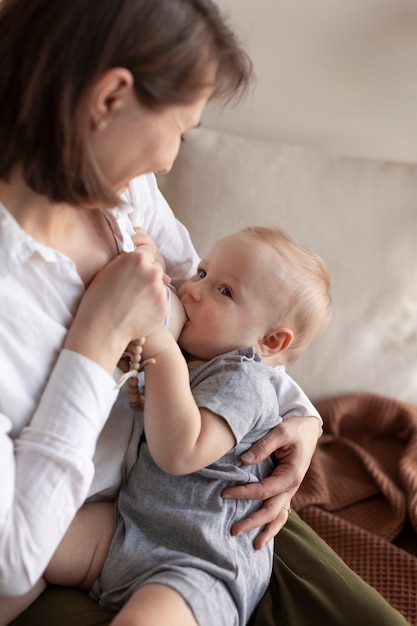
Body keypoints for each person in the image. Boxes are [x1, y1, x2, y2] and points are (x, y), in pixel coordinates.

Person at [0, 1, 409, 625]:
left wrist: (298, 416)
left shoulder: (121, 190)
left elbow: (235, 330)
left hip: (219, 518)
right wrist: (96, 338)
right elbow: (13, 560)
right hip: (96, 528)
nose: (169, 161)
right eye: (179, 130)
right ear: (109, 99)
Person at [37, 225, 332, 626]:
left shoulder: (242, 379)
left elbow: (181, 452)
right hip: (129, 525)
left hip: (198, 561)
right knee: (32, 544)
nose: (192, 290)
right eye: (202, 273)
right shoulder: (195, 353)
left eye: (224, 292)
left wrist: (160, 350)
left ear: (271, 342)